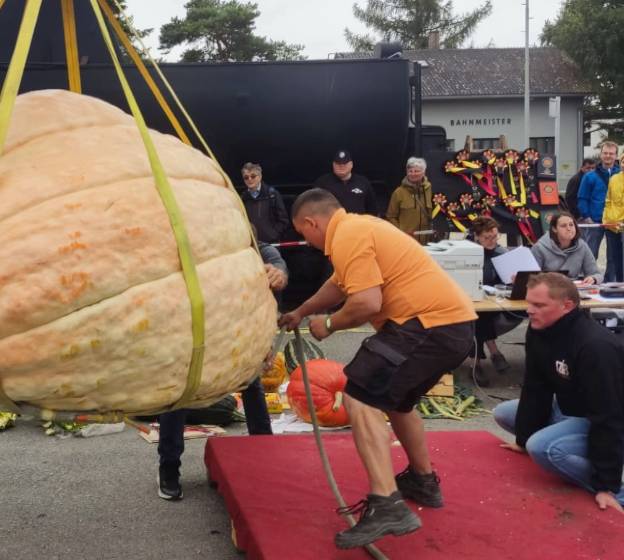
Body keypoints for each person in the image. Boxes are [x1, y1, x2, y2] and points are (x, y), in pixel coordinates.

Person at [279, 189, 476, 549]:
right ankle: (422, 480)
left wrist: (330, 324)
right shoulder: (357, 228)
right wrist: (303, 311)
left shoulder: (349, 235)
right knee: (397, 402)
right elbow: (339, 284)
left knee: (358, 394)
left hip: (427, 325)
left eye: (305, 234)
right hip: (451, 327)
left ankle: (387, 503)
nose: (307, 243)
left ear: (312, 222)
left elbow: (367, 302)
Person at [157, 241, 288, 501]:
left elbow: (279, 268)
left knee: (252, 384)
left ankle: (265, 454)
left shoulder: (258, 250)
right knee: (178, 396)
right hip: (195, 334)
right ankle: (168, 469)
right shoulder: (196, 248)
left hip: (237, 337)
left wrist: (279, 274)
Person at [493, 273, 624, 512]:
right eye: (528, 303)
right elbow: (535, 387)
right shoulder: (539, 329)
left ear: (567, 306)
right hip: (572, 408)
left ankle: (616, 489)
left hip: (608, 418)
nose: (529, 311)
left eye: (539, 305)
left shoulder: (595, 347)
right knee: (503, 413)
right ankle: (565, 450)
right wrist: (522, 439)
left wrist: (607, 484)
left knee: (544, 448)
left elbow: (609, 415)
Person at [469, 217, 522, 386]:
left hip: (494, 300)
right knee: (477, 315)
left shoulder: (502, 253)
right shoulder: (468, 251)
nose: (492, 241)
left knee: (482, 315)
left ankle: (476, 363)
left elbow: (506, 280)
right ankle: (493, 352)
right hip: (471, 299)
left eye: (495, 236)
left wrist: (514, 279)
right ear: (477, 236)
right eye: (487, 237)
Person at [577, 141, 620, 280]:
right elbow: (582, 198)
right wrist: (586, 216)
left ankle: (610, 282)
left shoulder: (621, 176)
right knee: (590, 253)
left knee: (614, 255)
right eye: (605, 153)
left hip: (615, 222)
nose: (608, 156)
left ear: (616, 156)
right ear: (601, 155)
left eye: (611, 154)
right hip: (595, 221)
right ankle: (588, 280)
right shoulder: (590, 176)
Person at [531, 211, 603, 285]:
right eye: (563, 226)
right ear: (554, 229)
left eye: (571, 225)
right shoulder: (539, 248)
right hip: (548, 289)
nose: (569, 228)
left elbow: (596, 274)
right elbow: (532, 279)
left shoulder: (582, 246)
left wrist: (593, 278)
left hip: (574, 289)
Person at [313, 150, 378, 215]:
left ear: (351, 164)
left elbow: (372, 208)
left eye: (345, 163)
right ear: (333, 164)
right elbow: (314, 207)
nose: (341, 166)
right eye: (338, 163)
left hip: (358, 223)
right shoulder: (322, 183)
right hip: (332, 223)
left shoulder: (363, 182)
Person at [386, 157, 433, 244]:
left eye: (417, 171)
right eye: (410, 171)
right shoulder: (399, 192)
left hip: (429, 242)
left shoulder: (431, 190)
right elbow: (390, 216)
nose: (413, 174)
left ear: (424, 172)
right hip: (406, 241)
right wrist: (401, 232)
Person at [239, 162, 289, 244]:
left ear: (260, 176)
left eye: (253, 176)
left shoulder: (272, 194)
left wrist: (273, 234)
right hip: (251, 245)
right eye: (246, 177)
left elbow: (283, 220)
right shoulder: (242, 198)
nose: (250, 179)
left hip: (271, 244)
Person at [601, 152, 624, 282]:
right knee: (616, 259)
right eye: (623, 161)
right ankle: (620, 286)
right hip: (612, 226)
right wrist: (606, 218)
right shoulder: (614, 178)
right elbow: (608, 200)